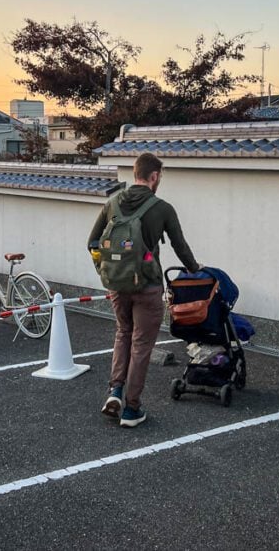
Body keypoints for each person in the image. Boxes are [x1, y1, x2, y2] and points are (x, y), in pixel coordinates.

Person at [88, 152, 200, 427]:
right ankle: (132, 409)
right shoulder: (162, 208)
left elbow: (92, 242)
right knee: (140, 345)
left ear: (134, 174)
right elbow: (179, 246)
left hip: (117, 286)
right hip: (147, 287)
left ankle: (115, 391)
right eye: (158, 177)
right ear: (153, 177)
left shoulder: (112, 203)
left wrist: (106, 271)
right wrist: (195, 269)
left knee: (122, 333)